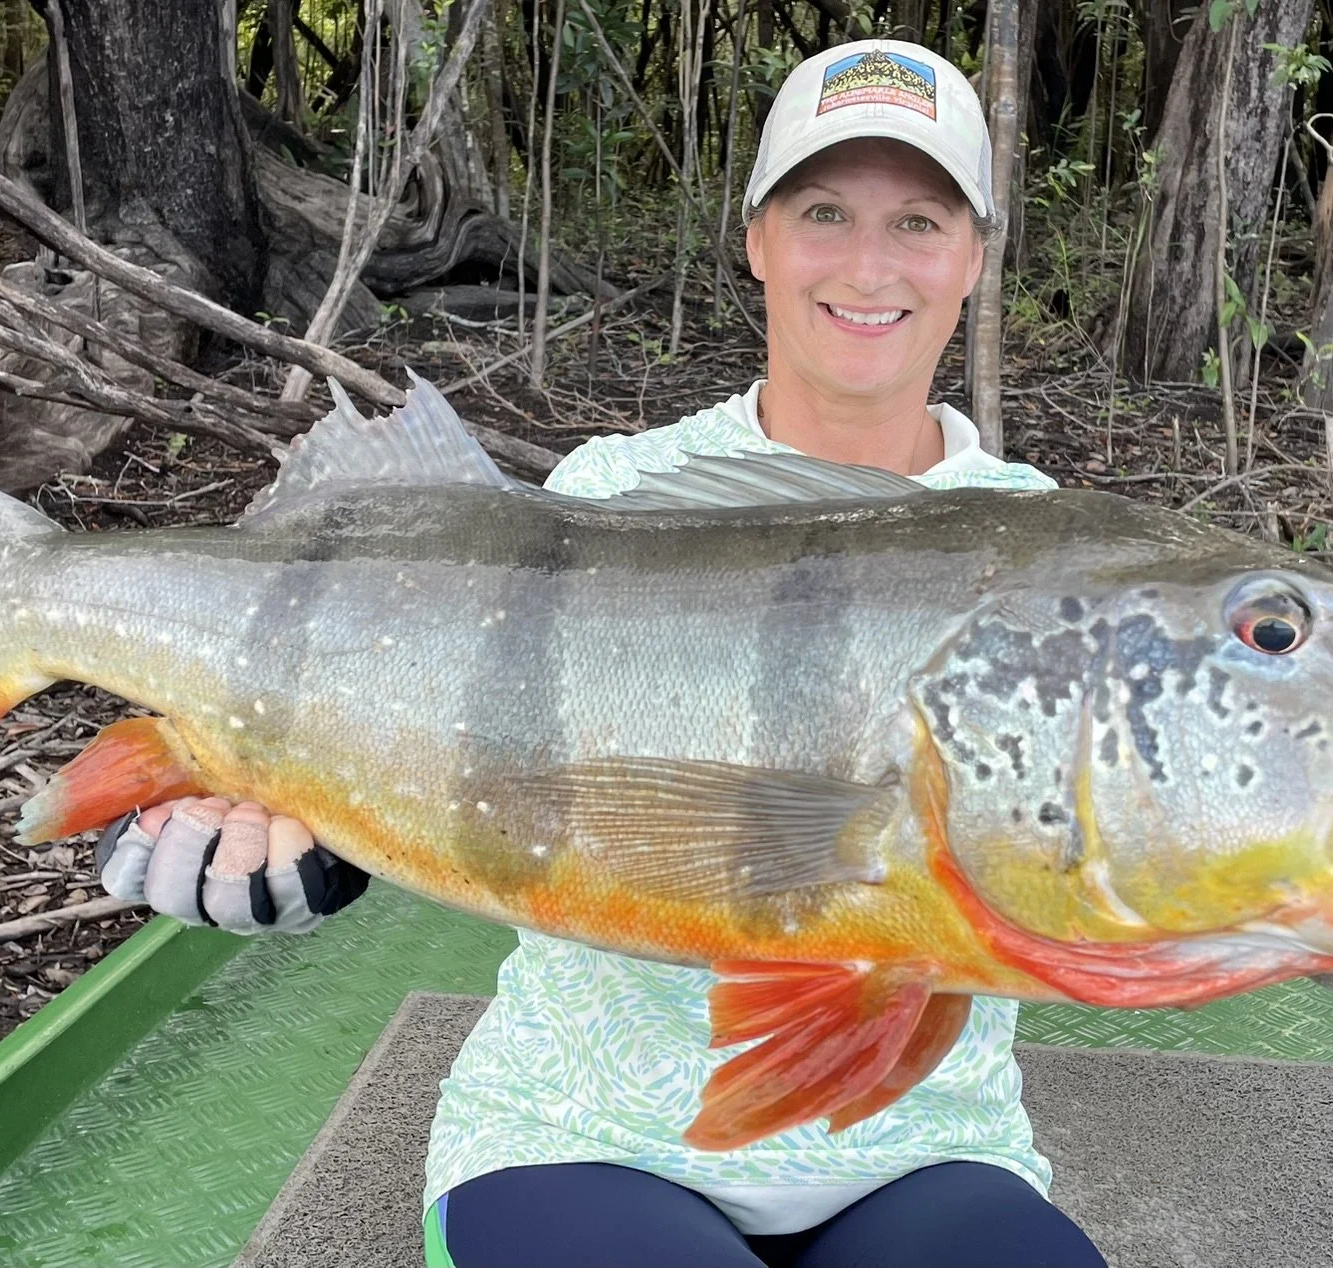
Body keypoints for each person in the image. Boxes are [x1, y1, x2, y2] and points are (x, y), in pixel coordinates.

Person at [97, 39, 1106, 1268]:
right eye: (824, 211)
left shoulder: (1045, 535)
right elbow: (438, 732)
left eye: (920, 219)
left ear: (974, 258)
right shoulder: (613, 491)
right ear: (758, 239)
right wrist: (305, 845)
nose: (867, 262)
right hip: (585, 1133)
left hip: (925, 1145)